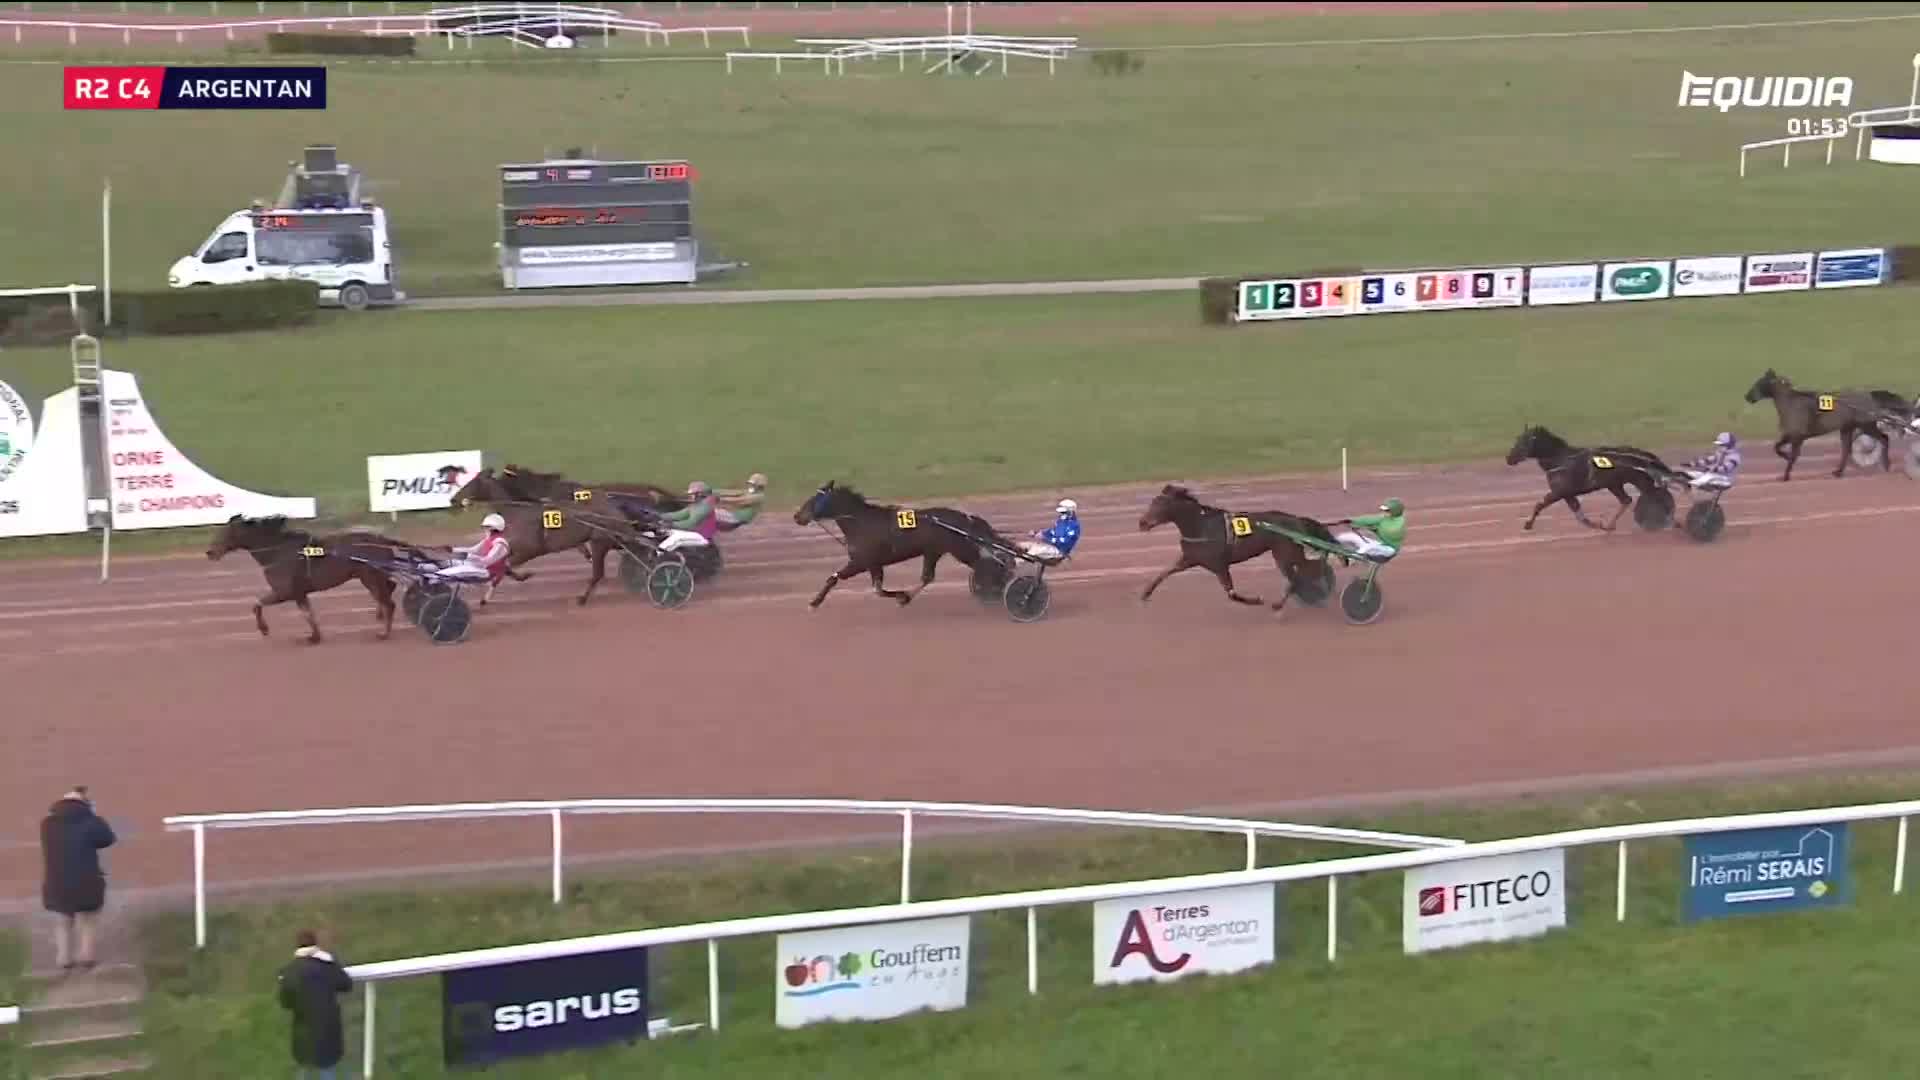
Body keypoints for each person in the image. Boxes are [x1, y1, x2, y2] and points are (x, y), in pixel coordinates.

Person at [41, 786, 115, 973]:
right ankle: (87, 956)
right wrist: (93, 814)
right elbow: (107, 839)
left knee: (63, 920)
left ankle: (64, 958)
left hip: (57, 881)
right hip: (87, 879)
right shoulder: (90, 821)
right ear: (84, 804)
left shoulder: (48, 824)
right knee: (88, 919)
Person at [278, 929, 353, 1080]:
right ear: (315, 945)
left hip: (302, 1032)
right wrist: (331, 961)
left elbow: (285, 1003)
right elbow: (346, 984)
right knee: (327, 1069)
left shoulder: (288, 972)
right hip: (328, 1031)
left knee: (304, 1069)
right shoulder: (327, 966)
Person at [1330, 497, 1406, 560]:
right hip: (1378, 544)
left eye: (1387, 510)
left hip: (1389, 549)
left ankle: (1348, 560)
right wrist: (1352, 521)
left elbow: (1389, 531)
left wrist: (1369, 527)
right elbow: (1369, 520)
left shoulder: (1399, 523)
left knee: (1366, 548)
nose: (1385, 512)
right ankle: (1330, 543)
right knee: (1348, 536)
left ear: (1395, 511)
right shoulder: (1385, 518)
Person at [451, 513, 512, 585]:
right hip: (481, 566)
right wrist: (452, 550)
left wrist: (468, 556)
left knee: (452, 572)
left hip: (488, 572)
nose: (484, 529)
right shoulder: (488, 539)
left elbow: (488, 560)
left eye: (486, 527)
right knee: (450, 563)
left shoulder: (499, 543)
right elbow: (473, 550)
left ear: (492, 528)